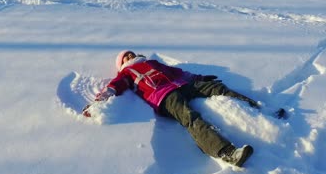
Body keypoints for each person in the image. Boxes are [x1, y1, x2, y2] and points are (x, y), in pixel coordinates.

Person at [83, 50, 263, 167]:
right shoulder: (126, 73)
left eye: (131, 54)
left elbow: (178, 73)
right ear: (122, 63)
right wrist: (98, 102)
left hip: (182, 85)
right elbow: (113, 88)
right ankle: (226, 152)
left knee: (217, 88)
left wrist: (200, 77)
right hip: (164, 96)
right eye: (126, 57)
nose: (130, 57)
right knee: (190, 117)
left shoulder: (152, 63)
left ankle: (261, 110)